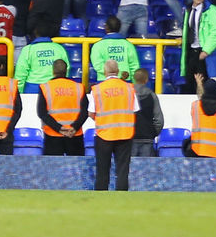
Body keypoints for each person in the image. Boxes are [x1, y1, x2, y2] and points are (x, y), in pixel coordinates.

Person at [89, 59, 137, 191]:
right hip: (125, 134)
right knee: (122, 170)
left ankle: (100, 196)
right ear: (118, 71)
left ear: (105, 72)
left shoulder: (97, 89)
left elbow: (91, 113)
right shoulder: (129, 88)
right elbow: (134, 110)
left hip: (104, 134)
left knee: (102, 170)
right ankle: (121, 197)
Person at [180, 0, 216, 90]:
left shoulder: (212, 10)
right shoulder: (188, 10)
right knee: (190, 84)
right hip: (191, 51)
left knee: (205, 85)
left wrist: (206, 50)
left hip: (205, 53)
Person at [37, 59, 87, 156]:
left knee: (53, 168)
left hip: (53, 135)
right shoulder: (79, 87)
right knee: (76, 168)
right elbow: (84, 112)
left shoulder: (45, 87)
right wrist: (74, 127)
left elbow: (42, 113)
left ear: (53, 71)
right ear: (66, 70)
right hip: (74, 134)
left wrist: (59, 128)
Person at [89, 17, 140, 82]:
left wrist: (114, 74)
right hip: (125, 81)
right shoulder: (128, 45)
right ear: (120, 27)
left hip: (104, 82)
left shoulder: (98, 45)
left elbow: (98, 66)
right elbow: (134, 66)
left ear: (106, 27)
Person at [132, 68, 163, 157]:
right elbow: (159, 120)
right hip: (147, 138)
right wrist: (152, 133)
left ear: (134, 78)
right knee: (147, 169)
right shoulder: (152, 96)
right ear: (146, 80)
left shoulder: (128, 95)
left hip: (130, 137)